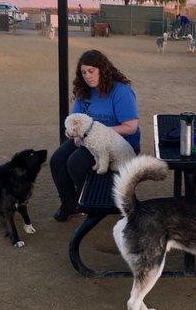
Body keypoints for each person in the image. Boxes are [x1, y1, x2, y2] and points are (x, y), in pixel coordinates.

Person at [50, 49, 140, 222]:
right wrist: (78, 136)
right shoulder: (84, 91)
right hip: (88, 139)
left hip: (120, 142)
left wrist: (97, 133)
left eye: (91, 71)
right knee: (57, 160)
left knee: (75, 163)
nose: (87, 76)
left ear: (102, 69)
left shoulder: (120, 91)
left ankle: (97, 201)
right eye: (84, 72)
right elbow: (75, 120)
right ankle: (70, 204)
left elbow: (131, 127)